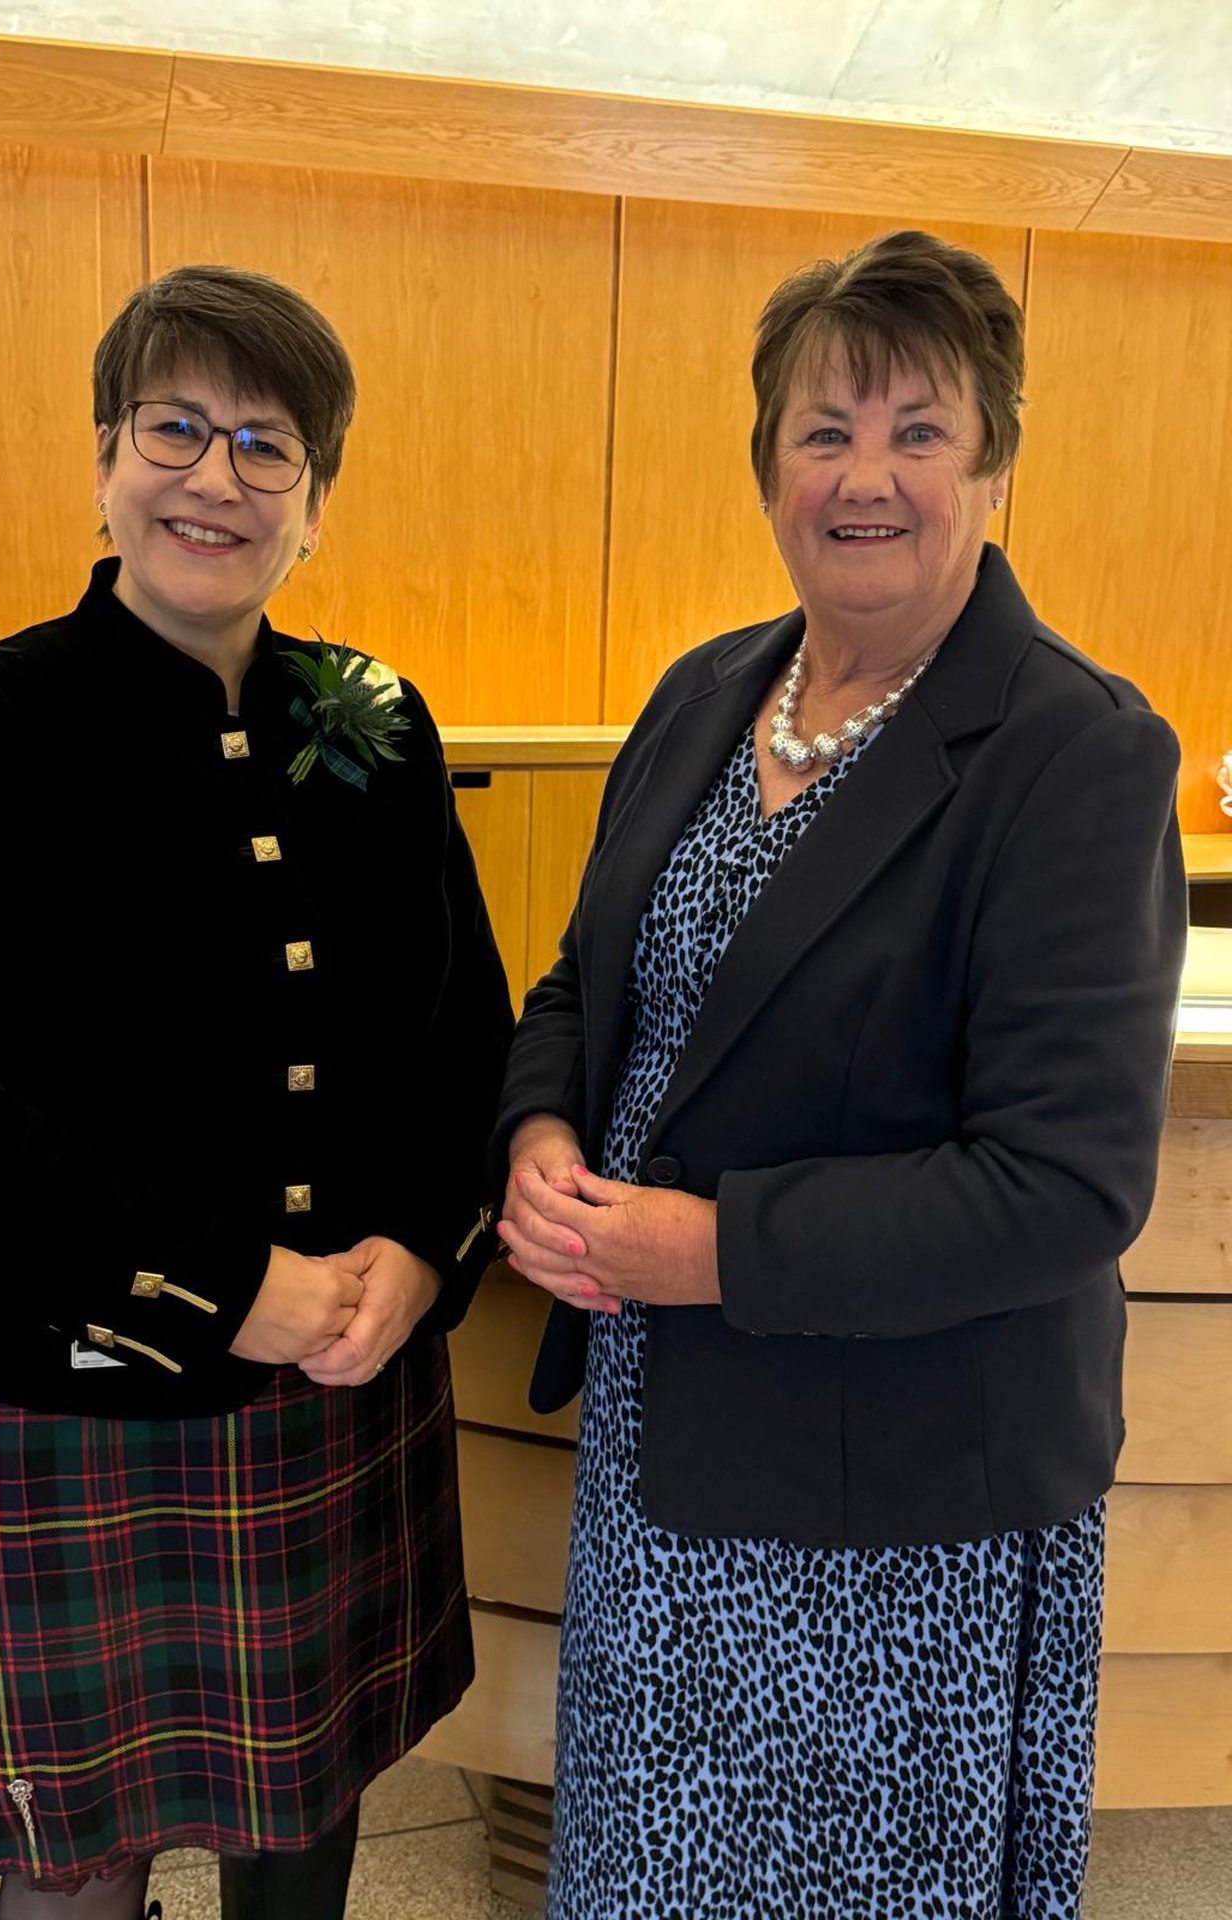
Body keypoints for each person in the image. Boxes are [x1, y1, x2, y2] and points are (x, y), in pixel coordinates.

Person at [496, 228, 1186, 1919]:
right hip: (668, 1452)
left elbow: (1064, 1188)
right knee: (652, 1872)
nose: (864, 474)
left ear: (996, 463)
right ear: (767, 469)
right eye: (824, 430)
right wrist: (535, 1124)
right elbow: (589, 979)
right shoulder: (701, 694)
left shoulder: (1077, 753)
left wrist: (701, 1250)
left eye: (919, 429)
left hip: (902, 1508)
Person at [0, 264, 512, 1920]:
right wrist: (236, 1292)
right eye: (175, 428)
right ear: (103, 463)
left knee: (309, 1810)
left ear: (319, 504)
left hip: (346, 1388)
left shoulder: (369, 717)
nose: (216, 477)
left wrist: (426, 1255)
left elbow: (467, 1045)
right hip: (79, 1399)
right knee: (72, 1867)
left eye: (267, 446)